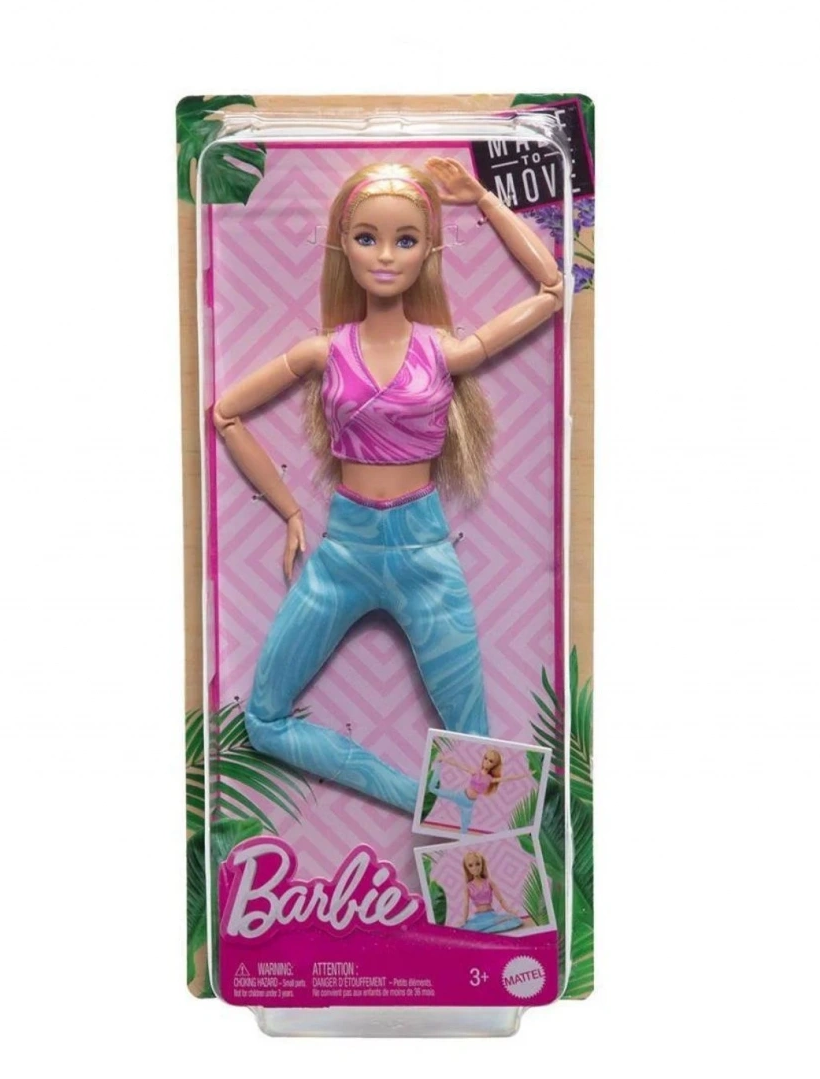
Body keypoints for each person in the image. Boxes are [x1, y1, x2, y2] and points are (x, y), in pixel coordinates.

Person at [212, 158, 562, 813]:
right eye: (367, 237)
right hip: (343, 551)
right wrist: (290, 511)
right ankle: (420, 802)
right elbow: (225, 413)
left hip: (424, 551)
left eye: (405, 240)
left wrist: (482, 198)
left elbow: (551, 289)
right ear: (342, 244)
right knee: (264, 719)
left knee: (475, 741)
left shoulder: (442, 351)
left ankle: (482, 864)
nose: (384, 256)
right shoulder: (322, 352)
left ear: (428, 251)